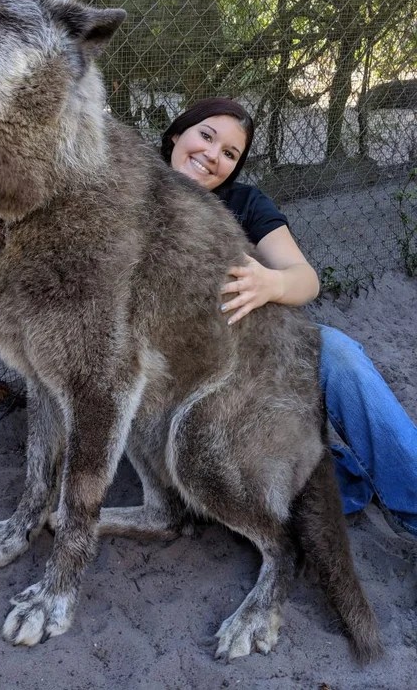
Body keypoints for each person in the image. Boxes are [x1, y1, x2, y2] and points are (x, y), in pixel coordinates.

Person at [160, 97, 417, 538]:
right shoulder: (131, 193)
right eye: (206, 136)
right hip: (179, 376)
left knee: (336, 350)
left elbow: (305, 278)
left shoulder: (242, 203)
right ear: (174, 137)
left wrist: (271, 284)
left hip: (252, 354)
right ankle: (338, 478)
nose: (212, 156)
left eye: (229, 154)